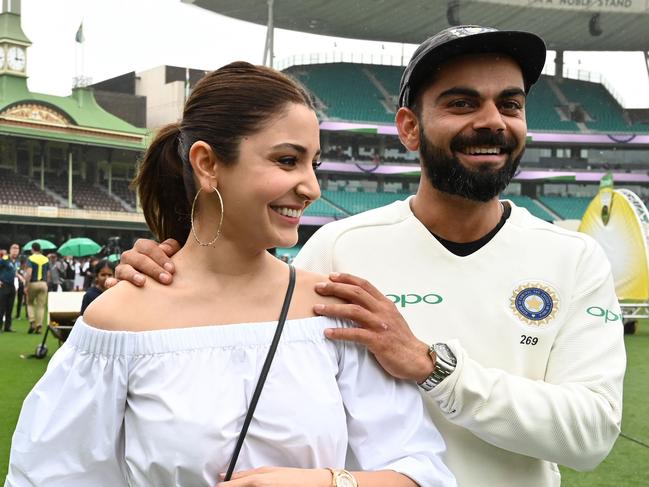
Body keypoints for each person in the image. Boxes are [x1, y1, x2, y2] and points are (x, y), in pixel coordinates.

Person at [114, 26, 626, 487]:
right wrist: (168, 279)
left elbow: (591, 434)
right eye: (462, 104)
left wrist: (433, 368)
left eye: (510, 104)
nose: (492, 121)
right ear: (408, 128)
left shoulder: (575, 257)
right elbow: (241, 350)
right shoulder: (340, 248)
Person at [6, 62, 454, 487]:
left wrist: (327, 481)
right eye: (286, 160)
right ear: (208, 163)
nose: (311, 187)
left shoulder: (332, 311)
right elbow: (48, 476)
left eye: (312, 164)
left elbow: (419, 468)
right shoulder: (118, 323)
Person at [25, 242, 49, 334]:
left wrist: (26, 285)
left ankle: (32, 321)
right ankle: (39, 326)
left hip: (33, 283)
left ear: (32, 249)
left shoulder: (31, 258)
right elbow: (48, 274)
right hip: (43, 283)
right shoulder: (45, 259)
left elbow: (29, 273)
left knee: (30, 303)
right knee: (41, 306)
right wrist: (46, 283)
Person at [0, 243, 20, 332]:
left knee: (10, 307)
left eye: (17, 249)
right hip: (4, 285)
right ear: (10, 250)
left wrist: (20, 277)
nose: (15, 251)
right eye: (14, 249)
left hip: (12, 285)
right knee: (2, 307)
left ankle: (8, 327)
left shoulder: (16, 261)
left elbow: (12, 271)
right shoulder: (5, 259)